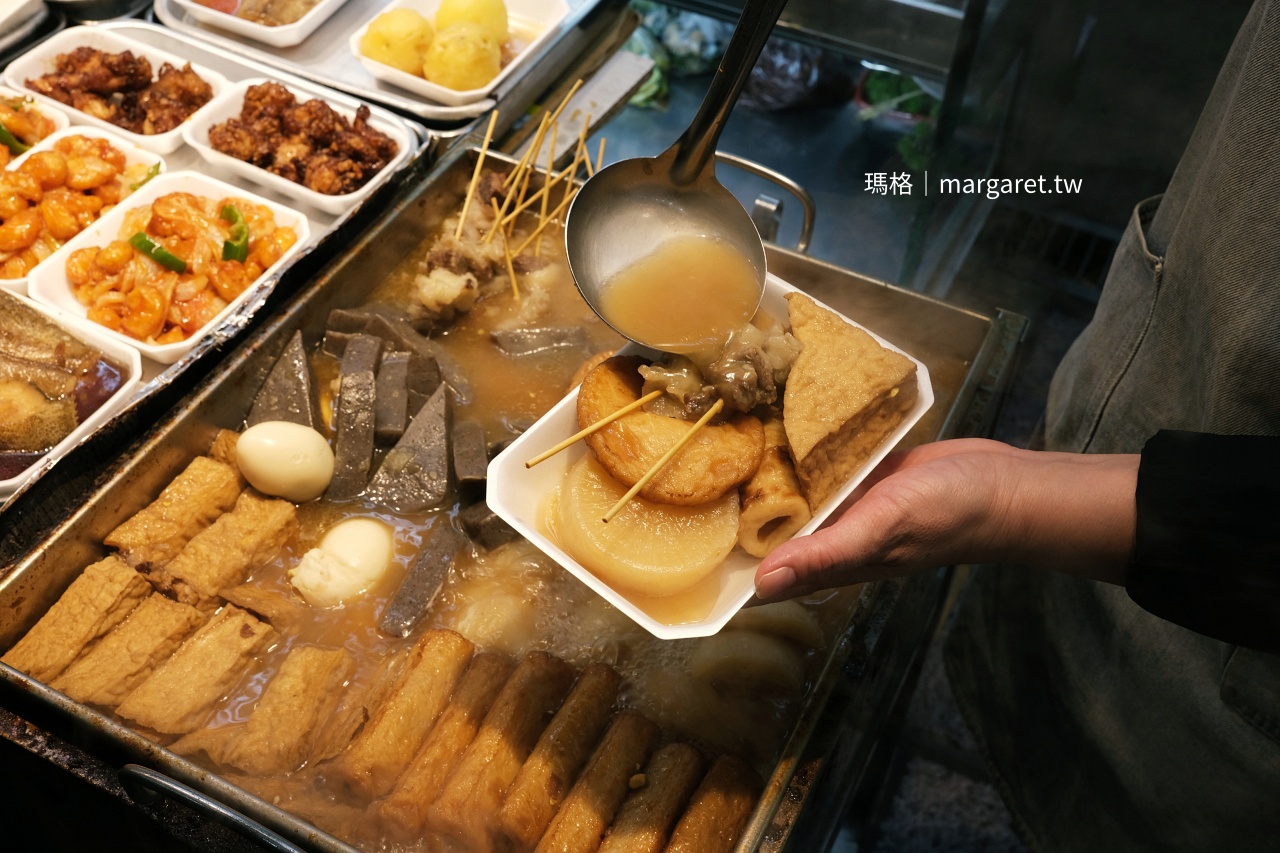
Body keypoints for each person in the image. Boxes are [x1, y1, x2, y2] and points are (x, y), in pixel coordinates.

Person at [753, 0, 1280, 849]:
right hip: (1143, 391)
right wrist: (1023, 493)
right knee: (1026, 705)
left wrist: (1009, 499)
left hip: (1229, 686)